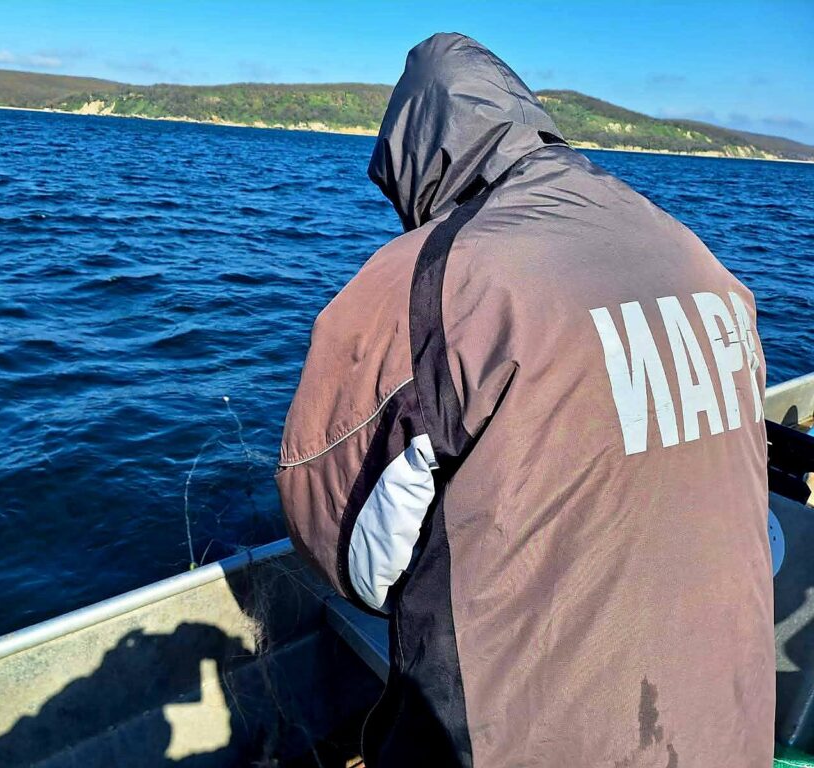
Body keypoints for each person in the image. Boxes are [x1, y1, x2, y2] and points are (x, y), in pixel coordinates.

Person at [276, 33, 773, 767]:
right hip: (728, 724)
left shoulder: (427, 280)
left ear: (414, 162)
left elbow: (351, 555)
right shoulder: (695, 256)